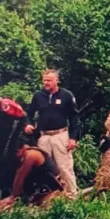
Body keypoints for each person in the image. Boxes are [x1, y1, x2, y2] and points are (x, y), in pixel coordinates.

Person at [23, 69, 81, 198]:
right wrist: (28, 124)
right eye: (44, 80)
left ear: (56, 81)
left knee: (64, 167)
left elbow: (74, 117)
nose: (46, 83)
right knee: (43, 168)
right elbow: (29, 112)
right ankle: (47, 197)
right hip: (44, 136)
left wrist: (73, 138)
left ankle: (72, 197)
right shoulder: (38, 96)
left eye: (49, 80)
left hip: (60, 135)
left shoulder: (66, 95)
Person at [0, 144, 64, 215]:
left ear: (22, 149)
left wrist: (10, 199)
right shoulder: (22, 157)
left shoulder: (31, 155)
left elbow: (18, 182)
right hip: (36, 194)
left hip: (51, 195)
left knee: (3, 207)